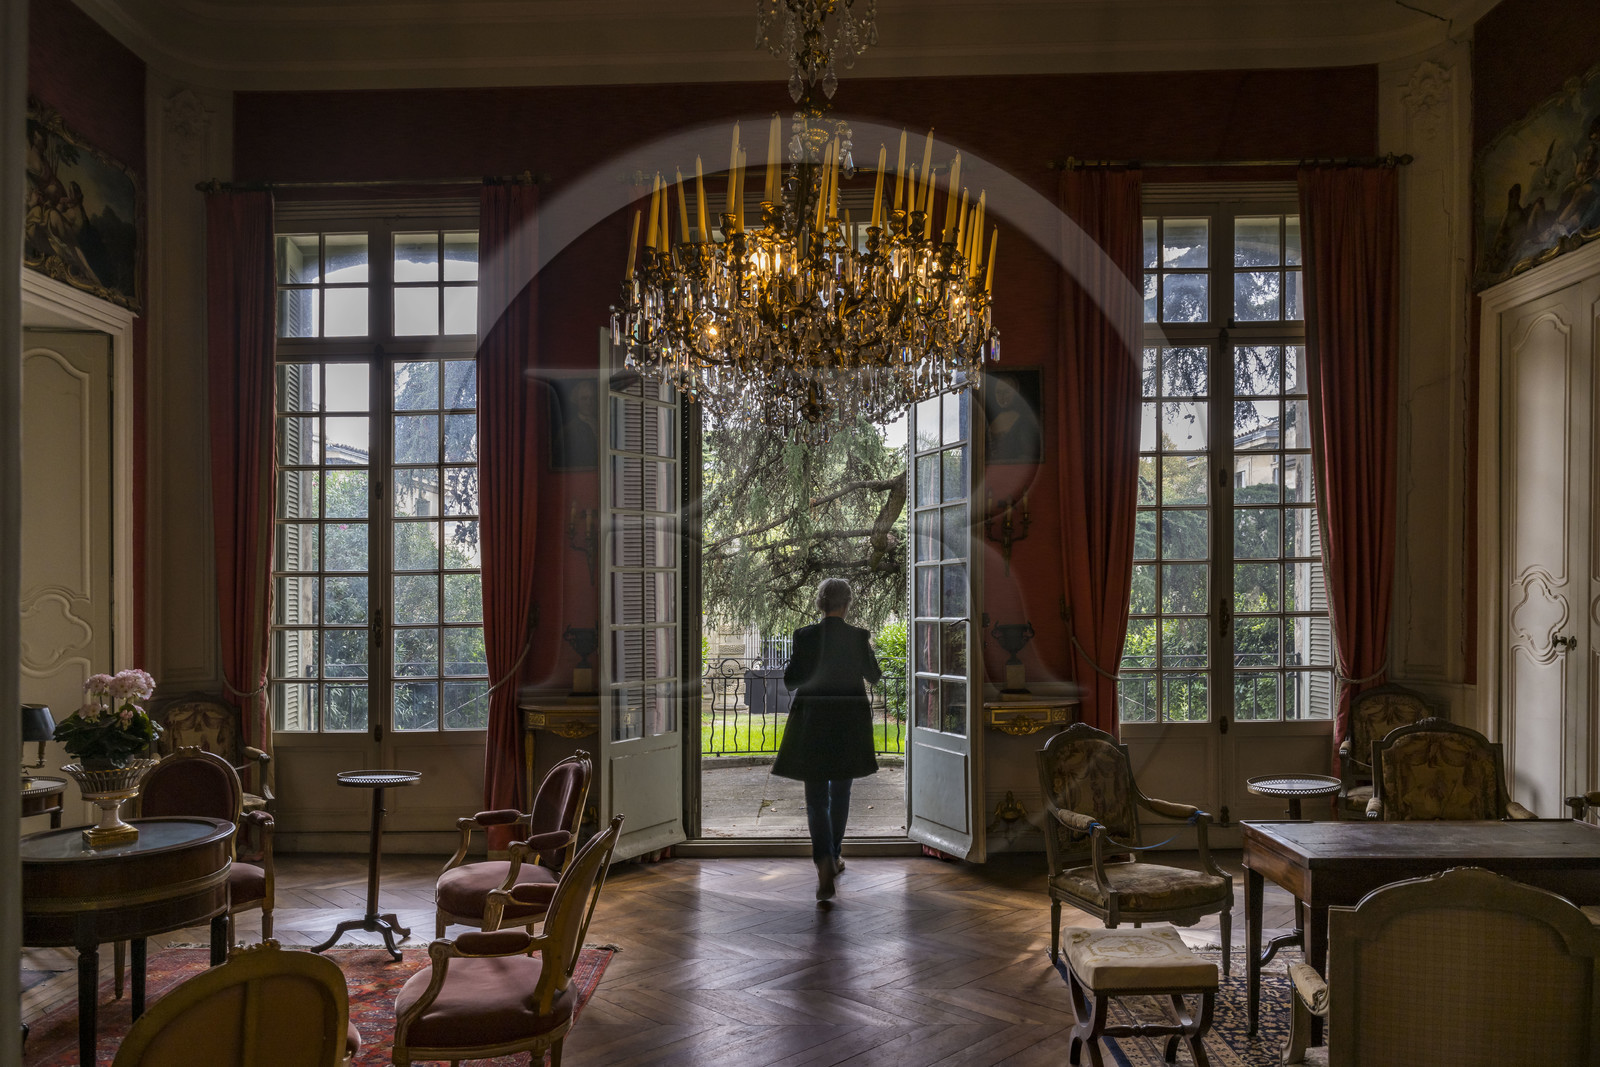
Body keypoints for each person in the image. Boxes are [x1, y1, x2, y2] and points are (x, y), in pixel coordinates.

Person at [772, 577, 883, 902]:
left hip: (813, 722)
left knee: (816, 798)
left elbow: (793, 680)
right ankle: (834, 857)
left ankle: (823, 860)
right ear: (847, 604)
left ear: (820, 603)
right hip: (848, 722)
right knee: (842, 792)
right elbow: (874, 675)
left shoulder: (805, 636)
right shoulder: (858, 637)